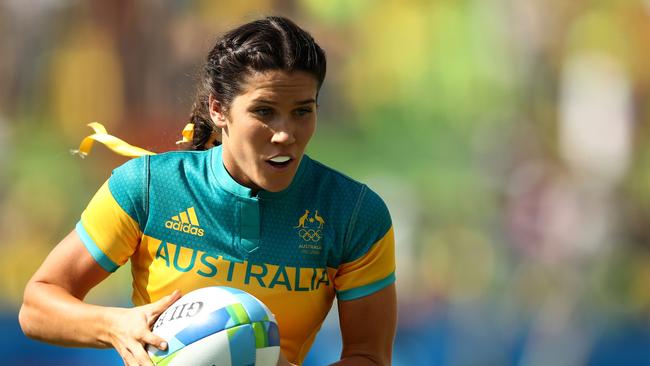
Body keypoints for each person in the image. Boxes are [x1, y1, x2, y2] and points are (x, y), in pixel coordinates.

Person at [19, 16, 396, 366]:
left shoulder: (353, 214)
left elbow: (369, 355)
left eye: (302, 111)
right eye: (264, 111)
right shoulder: (149, 188)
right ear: (219, 109)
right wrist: (114, 326)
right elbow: (38, 305)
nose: (285, 134)